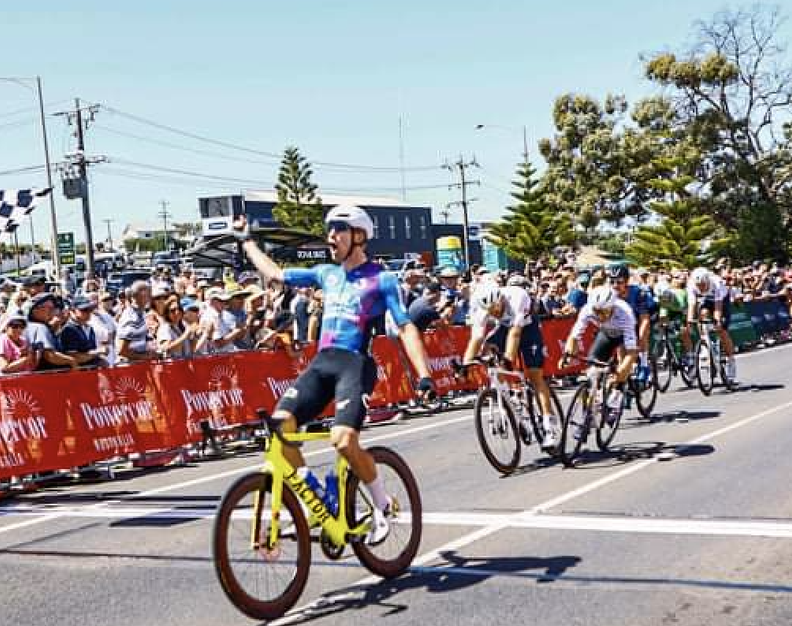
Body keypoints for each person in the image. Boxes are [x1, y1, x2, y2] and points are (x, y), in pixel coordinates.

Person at [233, 205, 434, 545]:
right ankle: (317, 495)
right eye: (329, 231)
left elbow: (406, 328)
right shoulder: (326, 273)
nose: (330, 238)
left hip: (355, 365)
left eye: (338, 231)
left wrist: (424, 374)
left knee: (343, 439)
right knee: (280, 428)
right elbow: (278, 274)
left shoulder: (381, 279)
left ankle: (382, 506)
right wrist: (247, 242)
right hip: (322, 363)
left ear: (358, 236)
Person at [461, 280, 561, 451]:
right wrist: (465, 365)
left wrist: (508, 358)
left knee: (534, 375)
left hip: (528, 327)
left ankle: (549, 425)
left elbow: (515, 334)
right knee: (488, 348)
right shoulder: (479, 306)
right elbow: (476, 338)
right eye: (491, 311)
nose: (495, 312)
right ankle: (509, 396)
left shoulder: (517, 296)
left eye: (497, 307)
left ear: (501, 298)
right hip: (505, 327)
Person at [559, 286, 640, 422]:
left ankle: (616, 398)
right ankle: (590, 414)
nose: (600, 316)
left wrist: (621, 372)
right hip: (606, 334)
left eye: (604, 312)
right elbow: (574, 336)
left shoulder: (625, 313)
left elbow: (631, 352)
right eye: (597, 312)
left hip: (623, 336)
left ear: (612, 307)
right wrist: (566, 355)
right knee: (592, 368)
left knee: (621, 369)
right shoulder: (587, 309)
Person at [683, 266, 738, 384]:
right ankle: (704, 342)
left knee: (722, 330)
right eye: (699, 285)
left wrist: (718, 321)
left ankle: (731, 361)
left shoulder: (717, 283)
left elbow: (718, 306)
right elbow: (691, 305)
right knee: (702, 314)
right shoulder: (691, 285)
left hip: (722, 300)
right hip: (707, 300)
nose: (700, 287)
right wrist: (689, 323)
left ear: (708, 281)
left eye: (703, 285)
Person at [606, 263, 656, 383]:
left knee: (641, 335)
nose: (615, 286)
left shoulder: (638, 293)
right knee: (620, 344)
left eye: (619, 282)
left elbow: (644, 320)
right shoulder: (608, 295)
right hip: (624, 322)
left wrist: (640, 337)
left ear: (627, 281)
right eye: (612, 282)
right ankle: (624, 375)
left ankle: (644, 365)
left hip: (642, 317)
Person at [58, 296, 108, 368]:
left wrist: (99, 359)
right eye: (84, 310)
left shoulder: (89, 328)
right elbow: (74, 357)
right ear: (72, 311)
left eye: (90, 309)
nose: (88, 312)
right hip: (77, 376)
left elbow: (90, 353)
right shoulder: (68, 329)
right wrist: (98, 352)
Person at [116, 281, 157, 363]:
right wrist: (145, 356)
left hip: (139, 365)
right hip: (130, 368)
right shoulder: (132, 318)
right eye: (148, 294)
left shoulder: (141, 312)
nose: (150, 297)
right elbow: (122, 351)